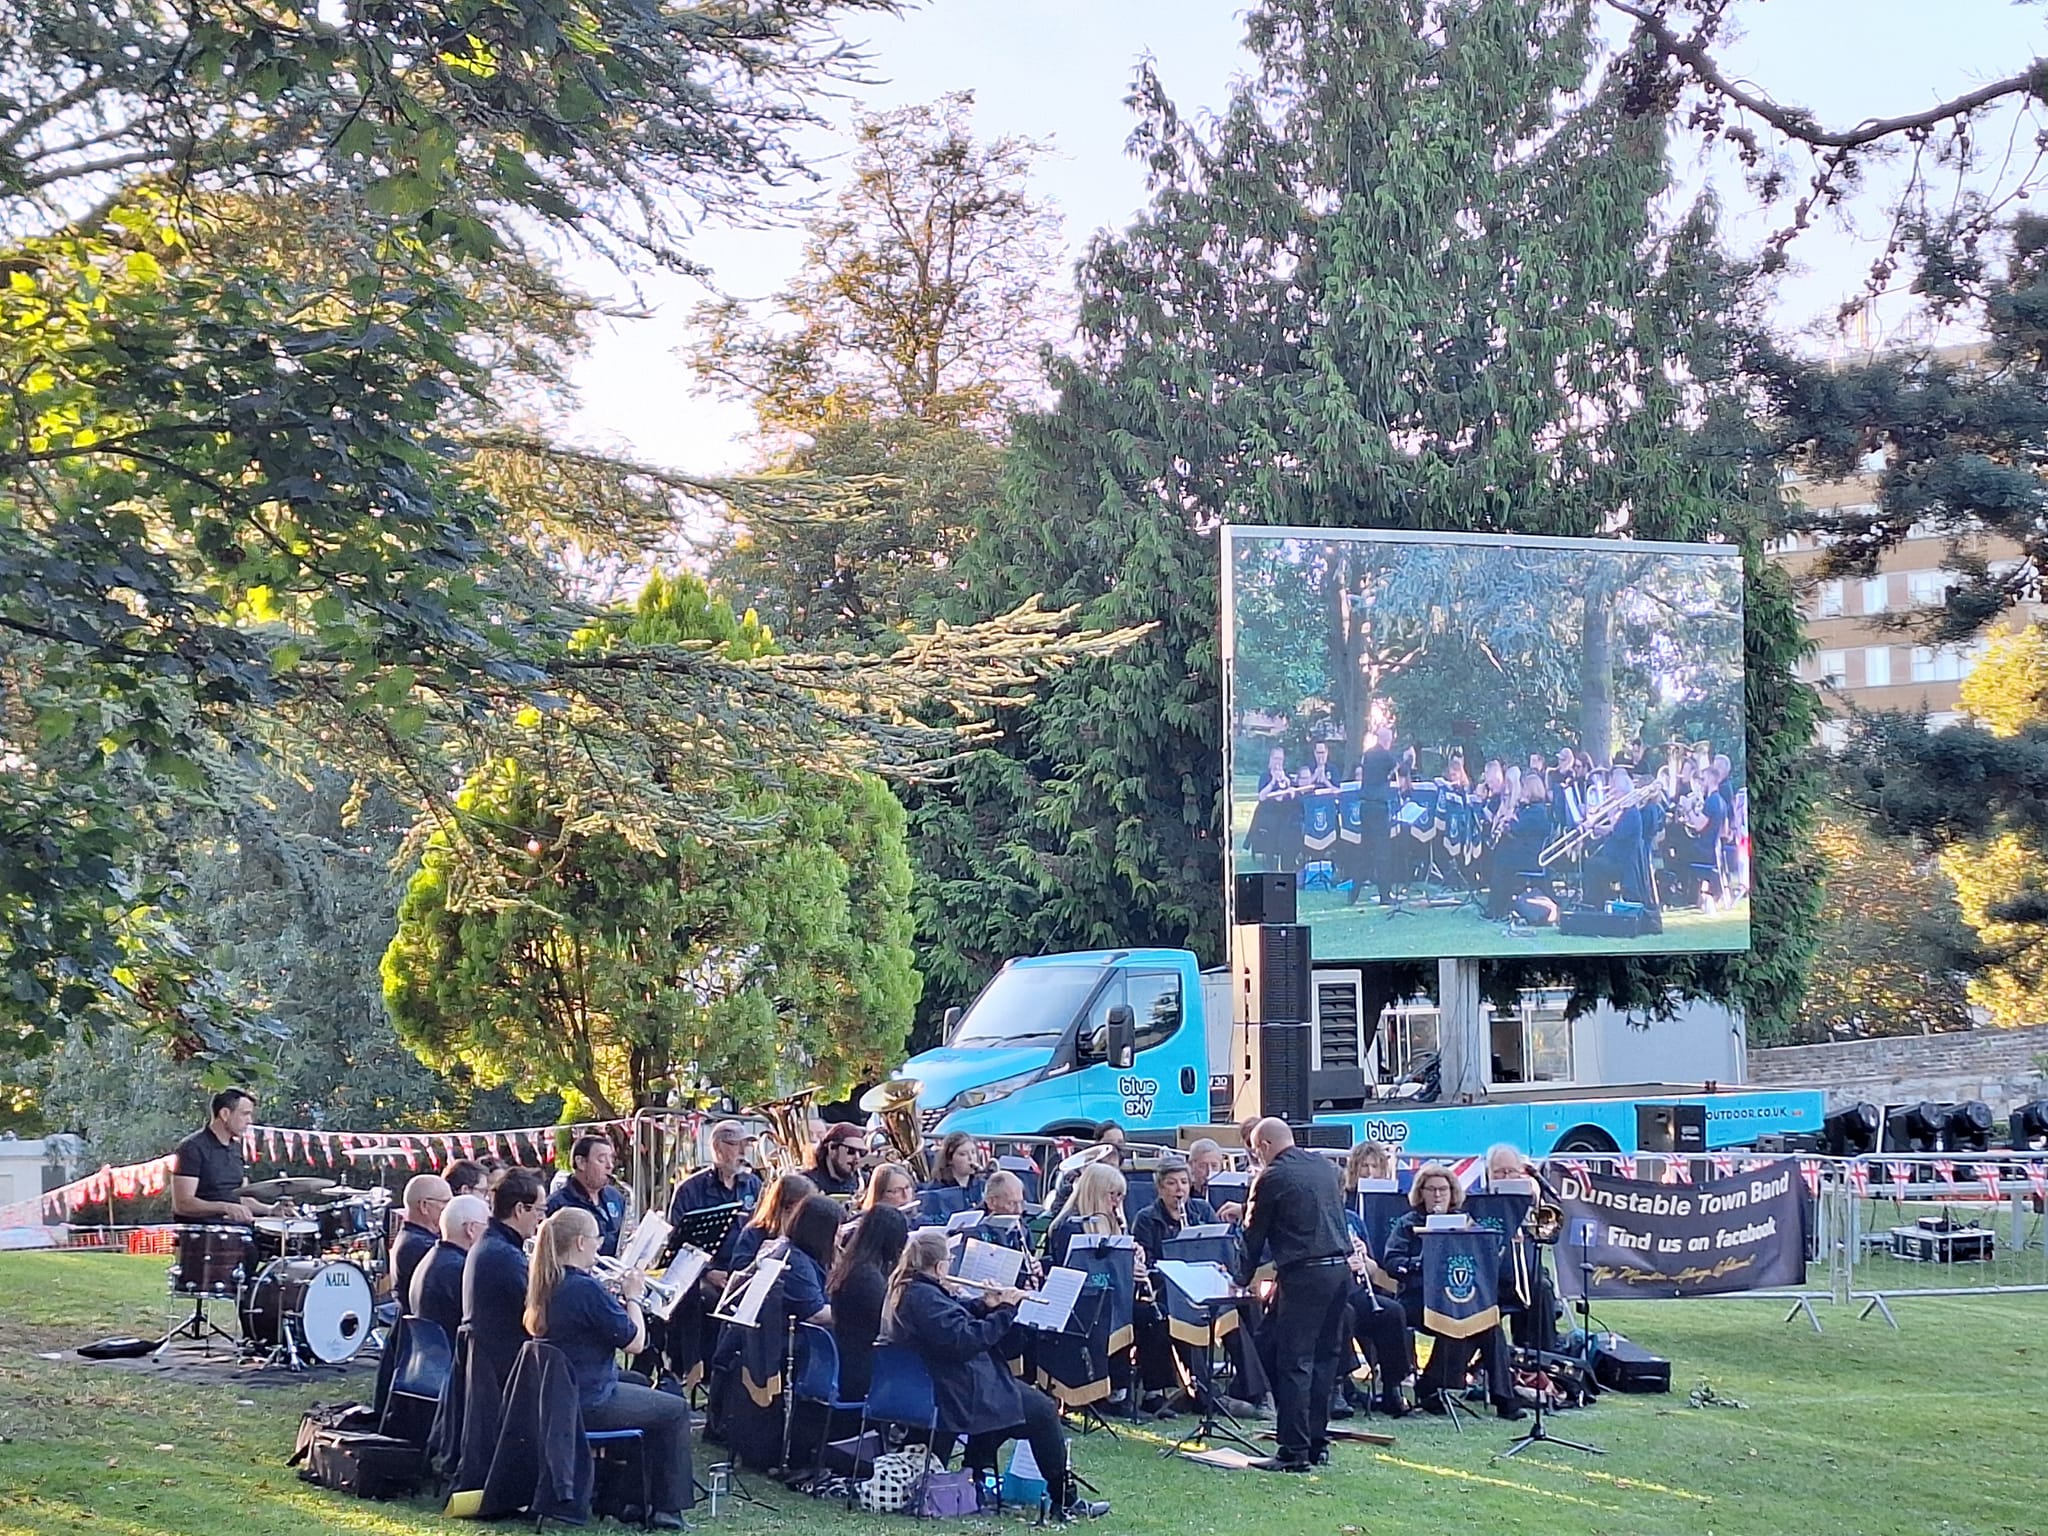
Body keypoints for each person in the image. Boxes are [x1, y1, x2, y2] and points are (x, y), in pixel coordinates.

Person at [884, 1230, 1109, 1521]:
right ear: (939, 1267)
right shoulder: (924, 1297)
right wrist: (1005, 1310)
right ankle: (1064, 1499)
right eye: (949, 1261)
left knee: (1012, 1402)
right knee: (1040, 1410)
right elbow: (963, 1341)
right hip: (954, 1390)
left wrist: (984, 1304)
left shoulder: (912, 1288)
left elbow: (952, 1320)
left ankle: (974, 1477)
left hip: (947, 1383)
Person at [525, 1208, 694, 1528]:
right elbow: (636, 1343)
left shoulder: (550, 1281)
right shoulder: (585, 1289)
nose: (598, 1246)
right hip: (590, 1400)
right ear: (579, 1243)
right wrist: (633, 1298)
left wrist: (612, 1301)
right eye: (595, 1240)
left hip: (565, 1394)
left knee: (641, 1383)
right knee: (674, 1410)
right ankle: (666, 1508)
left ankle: (627, 1497)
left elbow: (594, 1325)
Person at [1235, 1118, 1351, 1472]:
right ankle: (1317, 1442)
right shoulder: (1324, 1167)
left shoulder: (1271, 1177)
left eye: (1256, 1152)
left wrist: (1239, 1277)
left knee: (1292, 1361)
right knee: (1323, 1359)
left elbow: (1253, 1234)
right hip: (1339, 1270)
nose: (1257, 1158)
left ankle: (1294, 1450)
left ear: (1265, 1146)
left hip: (1305, 1275)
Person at [1381, 1163, 1522, 1420]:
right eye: (1431, 1189)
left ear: (1452, 1192)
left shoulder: (1467, 1223)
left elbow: (1482, 1260)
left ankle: (1505, 1398)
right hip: (1417, 1299)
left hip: (1458, 1297)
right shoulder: (1407, 1224)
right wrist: (1417, 1264)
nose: (1437, 1195)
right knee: (1456, 1323)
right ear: (1420, 1192)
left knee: (1488, 1324)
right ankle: (1431, 1387)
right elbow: (1391, 1262)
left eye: (1443, 1189)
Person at [464, 1167, 546, 1392]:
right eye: (539, 1210)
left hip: (497, 1369)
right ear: (520, 1209)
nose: (541, 1218)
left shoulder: (491, 1244)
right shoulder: (504, 1256)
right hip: (513, 1377)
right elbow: (540, 1318)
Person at [827, 1203, 910, 1401]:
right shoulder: (866, 1277)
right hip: (864, 1370)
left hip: (851, 1360)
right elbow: (890, 1323)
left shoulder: (854, 1265)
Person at [170, 1088, 290, 1223]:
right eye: (245, 1114)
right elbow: (182, 1204)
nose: (249, 1121)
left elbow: (242, 1198)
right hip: (203, 1234)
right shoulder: (192, 1147)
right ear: (225, 1114)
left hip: (237, 1231)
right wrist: (225, 1207)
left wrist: (270, 1210)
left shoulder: (236, 1148)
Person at [411, 1193, 489, 1341]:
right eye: (487, 1226)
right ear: (471, 1229)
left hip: (431, 1354)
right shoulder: (458, 1269)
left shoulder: (432, 1258)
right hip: (449, 1356)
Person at [546, 1135, 629, 1258]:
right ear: (581, 1163)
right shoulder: (558, 1204)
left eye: (611, 1159)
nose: (610, 1166)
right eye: (601, 1160)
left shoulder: (615, 1196)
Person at [728, 1172, 815, 1275]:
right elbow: (735, 1277)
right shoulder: (753, 1233)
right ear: (785, 1209)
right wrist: (759, 1262)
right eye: (801, 1209)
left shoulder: (804, 1233)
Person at [394, 1174, 453, 1311]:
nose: (450, 1209)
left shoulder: (413, 1238)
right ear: (424, 1206)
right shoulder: (418, 1246)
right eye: (446, 1202)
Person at [805, 1123, 866, 1199]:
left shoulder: (863, 1180)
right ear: (831, 1148)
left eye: (861, 1152)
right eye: (850, 1150)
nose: (857, 1157)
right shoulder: (808, 1182)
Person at [925, 1132, 986, 1207]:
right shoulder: (937, 1189)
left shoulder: (981, 1185)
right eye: (963, 1154)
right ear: (949, 1159)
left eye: (973, 1152)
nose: (971, 1158)